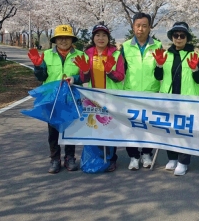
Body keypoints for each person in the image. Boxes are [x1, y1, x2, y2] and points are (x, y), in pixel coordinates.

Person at [28, 24, 86, 174]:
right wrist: (38, 67)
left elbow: (86, 76)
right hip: (51, 98)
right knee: (53, 130)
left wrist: (76, 78)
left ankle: (70, 157)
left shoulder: (80, 55)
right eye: (60, 38)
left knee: (70, 129)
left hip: (71, 97)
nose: (64, 41)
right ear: (55, 40)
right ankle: (54, 159)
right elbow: (42, 77)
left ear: (72, 39)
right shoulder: (46, 55)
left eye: (67, 38)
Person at [152, 21, 199, 176]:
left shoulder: (194, 55)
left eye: (182, 36)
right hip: (168, 99)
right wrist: (159, 66)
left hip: (187, 101)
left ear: (187, 38)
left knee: (184, 131)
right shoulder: (166, 55)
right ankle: (172, 158)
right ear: (172, 37)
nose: (179, 38)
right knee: (169, 130)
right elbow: (158, 77)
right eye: (176, 35)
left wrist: (195, 68)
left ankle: (183, 162)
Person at [74, 22, 125, 172]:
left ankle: (111, 159)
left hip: (110, 98)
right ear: (93, 37)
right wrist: (84, 71)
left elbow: (120, 76)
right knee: (94, 128)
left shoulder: (116, 54)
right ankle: (96, 158)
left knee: (110, 129)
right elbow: (84, 79)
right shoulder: (87, 54)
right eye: (97, 35)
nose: (101, 38)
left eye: (104, 35)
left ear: (109, 38)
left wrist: (110, 72)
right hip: (91, 98)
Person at [120, 12, 163, 170]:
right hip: (130, 93)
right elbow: (119, 71)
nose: (141, 29)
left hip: (151, 93)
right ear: (133, 27)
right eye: (138, 26)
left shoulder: (157, 46)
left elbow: (161, 72)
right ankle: (133, 156)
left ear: (150, 27)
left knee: (149, 126)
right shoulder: (125, 47)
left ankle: (146, 154)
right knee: (130, 126)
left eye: (144, 26)